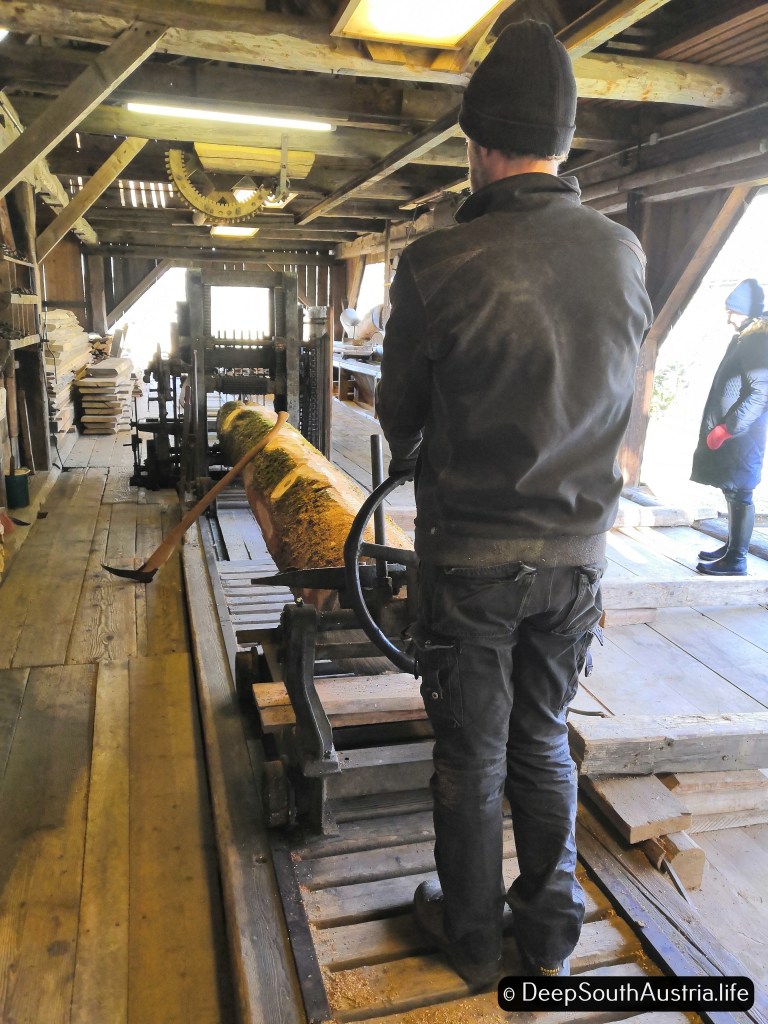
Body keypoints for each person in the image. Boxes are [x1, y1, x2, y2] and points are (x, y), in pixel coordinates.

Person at [376, 20, 653, 989]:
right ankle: (550, 936)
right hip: (578, 556)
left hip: (474, 559)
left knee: (470, 752)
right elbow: (621, 390)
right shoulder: (621, 252)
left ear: (479, 144)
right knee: (542, 740)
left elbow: (399, 410)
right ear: (564, 144)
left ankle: (470, 936)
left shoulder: (439, 259)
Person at [692, 279, 768, 575]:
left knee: (741, 492)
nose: (728, 317)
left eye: (732, 311)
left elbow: (761, 392)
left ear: (746, 312)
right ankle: (732, 546)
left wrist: (728, 428)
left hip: (743, 435)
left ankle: (737, 559)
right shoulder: (744, 337)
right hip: (736, 435)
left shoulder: (758, 341)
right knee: (732, 488)